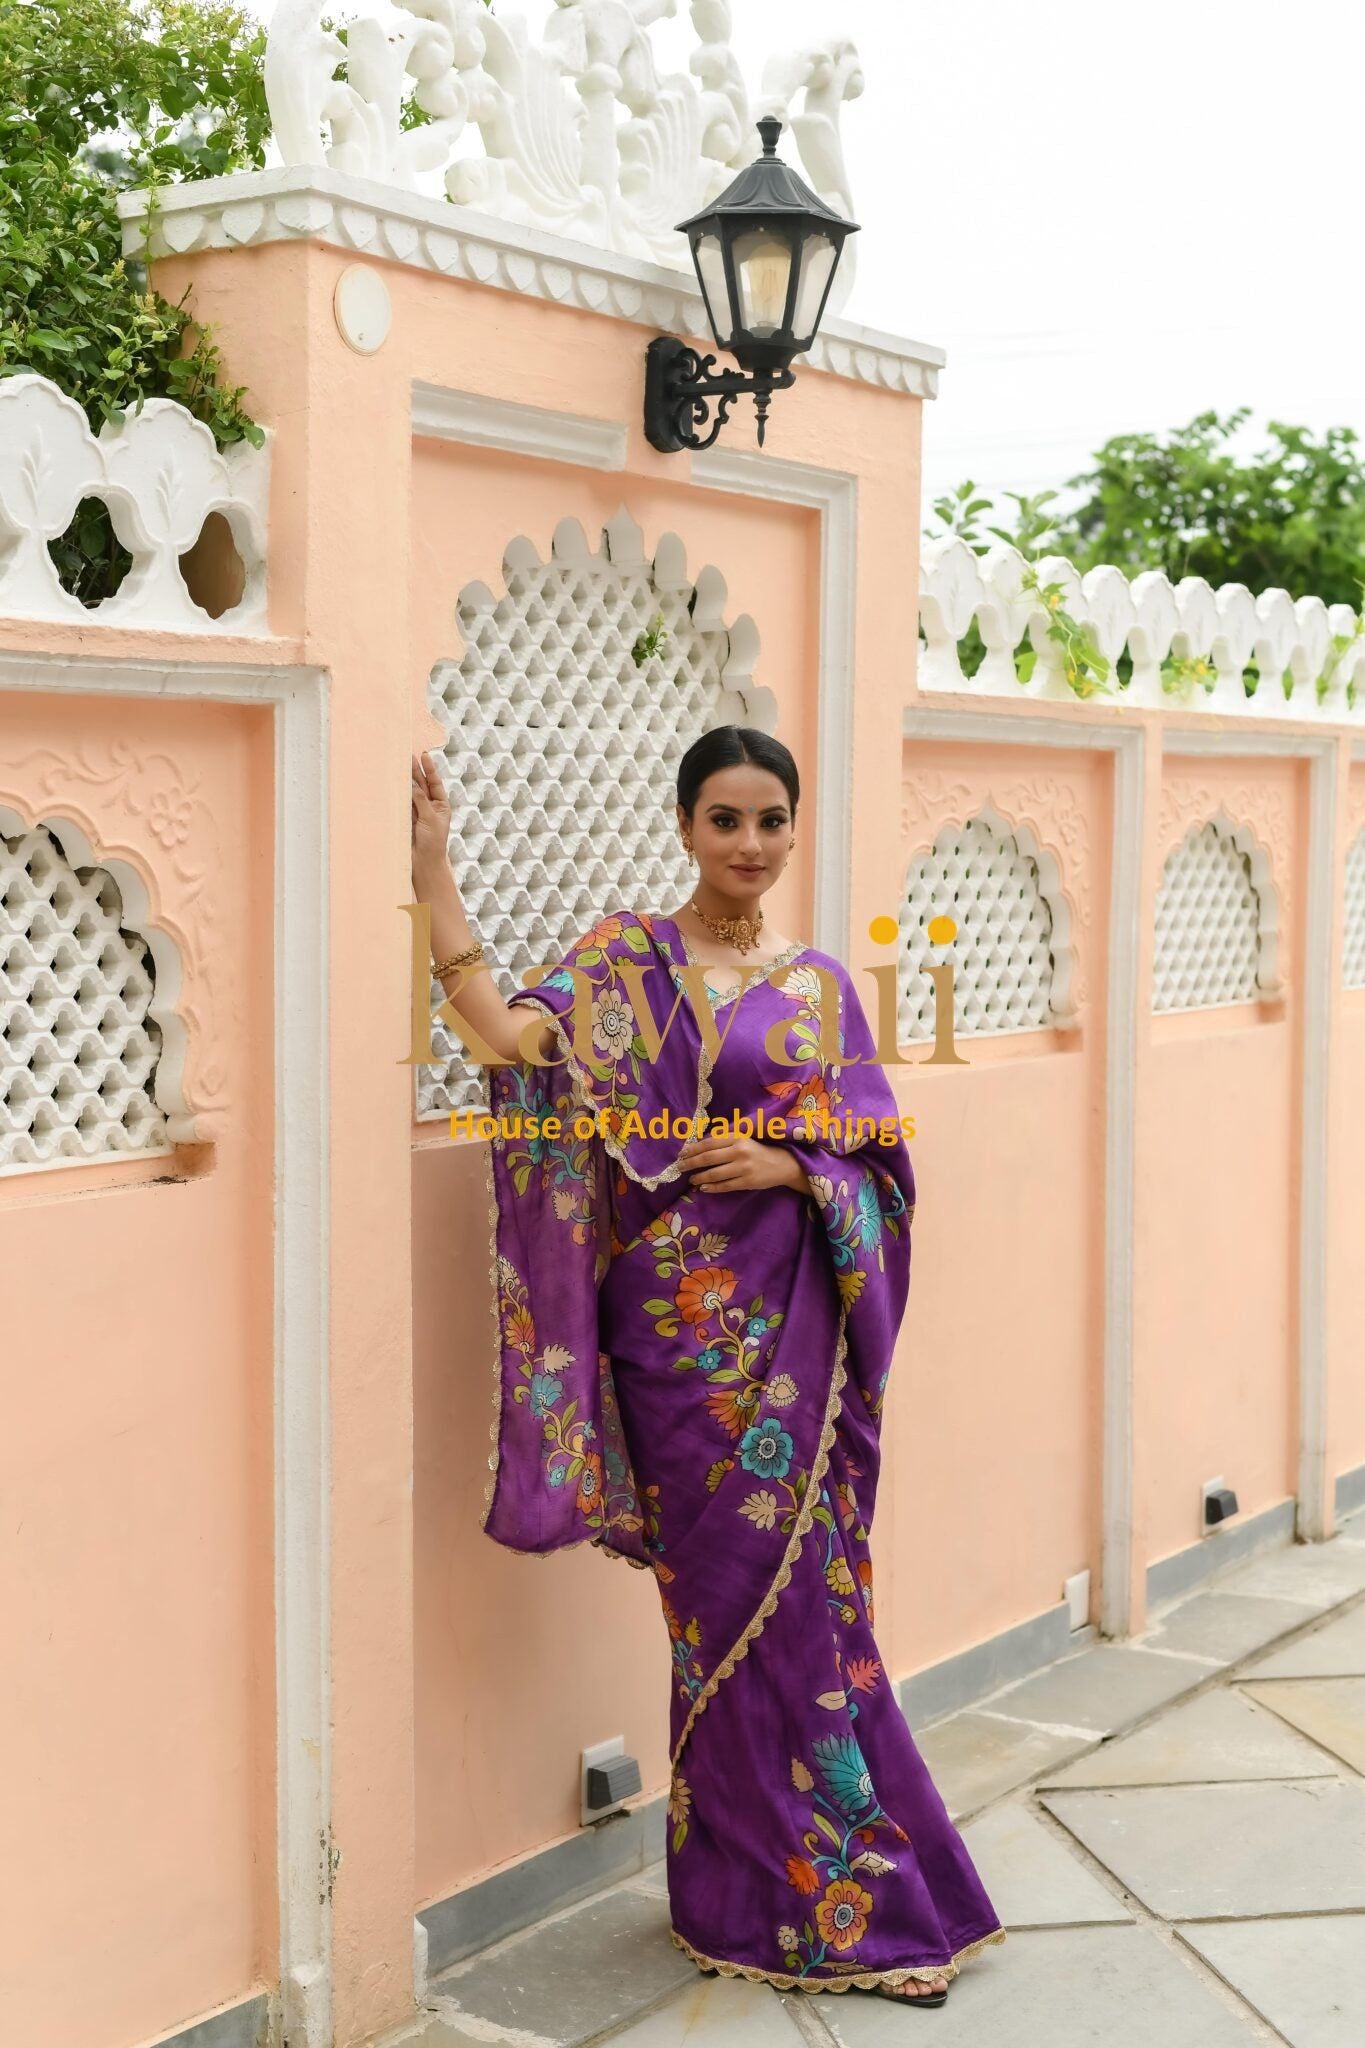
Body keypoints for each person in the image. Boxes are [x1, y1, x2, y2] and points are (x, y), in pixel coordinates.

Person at [410, 724, 1004, 2008]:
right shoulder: (624, 964)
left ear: (793, 829)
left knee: (813, 1612)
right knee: (715, 1620)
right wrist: (435, 875)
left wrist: (794, 1166)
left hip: (796, 1336)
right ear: (685, 825)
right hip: (674, 1351)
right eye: (725, 818)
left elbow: (884, 1169)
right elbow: (511, 1044)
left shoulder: (824, 989)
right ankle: (752, 1895)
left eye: (770, 819)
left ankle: (829, 1900)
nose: (749, 843)